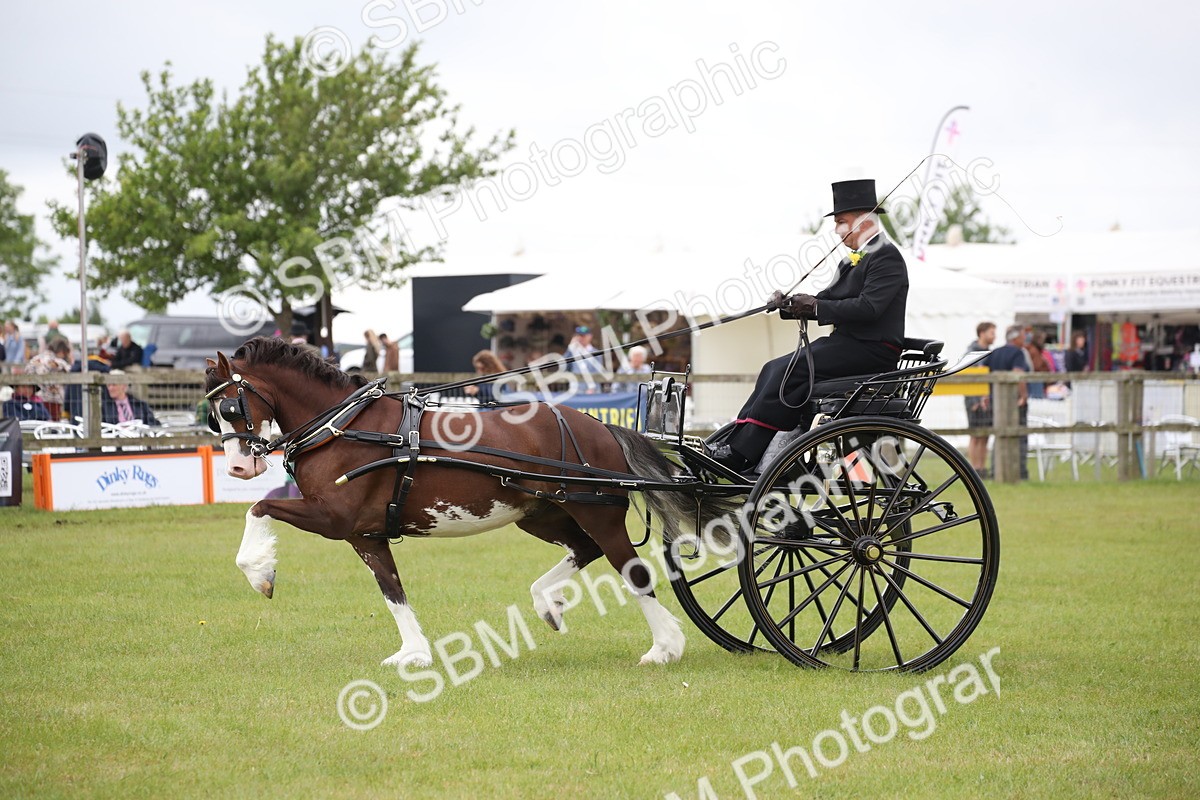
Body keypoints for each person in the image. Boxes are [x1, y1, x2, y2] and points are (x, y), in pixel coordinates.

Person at [708, 179, 909, 472]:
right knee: (773, 368)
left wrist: (816, 307)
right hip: (847, 345)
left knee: (785, 370)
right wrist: (789, 304)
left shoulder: (886, 257)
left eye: (841, 222)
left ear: (864, 221)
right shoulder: (852, 261)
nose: (837, 230)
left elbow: (869, 308)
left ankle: (743, 452)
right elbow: (826, 299)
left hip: (871, 350)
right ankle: (740, 441)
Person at [987, 325, 1031, 480]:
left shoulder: (995, 352)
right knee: (1019, 436)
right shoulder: (1018, 353)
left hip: (996, 402)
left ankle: (995, 470)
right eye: (1023, 335)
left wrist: (986, 396)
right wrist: (1023, 396)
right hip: (1013, 402)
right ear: (1015, 337)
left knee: (998, 436)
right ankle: (1020, 471)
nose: (1025, 338)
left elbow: (986, 375)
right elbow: (1018, 375)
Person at [964, 322, 996, 478]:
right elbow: (969, 377)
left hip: (987, 398)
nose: (994, 336)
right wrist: (975, 400)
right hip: (974, 399)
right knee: (975, 434)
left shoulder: (989, 353)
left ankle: (982, 468)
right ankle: (974, 470)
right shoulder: (972, 352)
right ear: (982, 333)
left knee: (985, 434)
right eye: (991, 332)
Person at [26, 339, 72, 421]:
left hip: (35, 398)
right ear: (61, 351)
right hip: (54, 400)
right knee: (54, 426)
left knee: (39, 425)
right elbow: (72, 372)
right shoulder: (58, 362)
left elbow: (26, 372)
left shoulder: (34, 360)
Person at [566, 326, 602, 390]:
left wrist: (592, 388)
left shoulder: (596, 353)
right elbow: (563, 367)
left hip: (592, 393)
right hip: (575, 391)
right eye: (578, 336)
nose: (580, 338)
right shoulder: (572, 352)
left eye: (583, 336)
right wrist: (570, 349)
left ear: (590, 336)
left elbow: (597, 373)